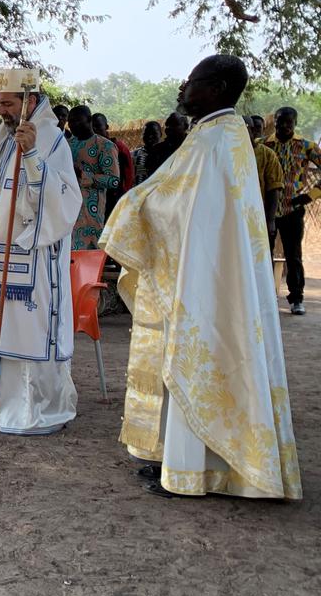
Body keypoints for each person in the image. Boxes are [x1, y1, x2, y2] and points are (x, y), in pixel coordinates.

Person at [101, 54, 301, 500]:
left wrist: (136, 207)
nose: (182, 89)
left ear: (220, 87)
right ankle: (178, 461)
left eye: (192, 81)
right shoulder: (210, 135)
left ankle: (199, 471)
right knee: (184, 366)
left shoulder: (220, 140)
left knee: (201, 363)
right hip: (193, 273)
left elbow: (181, 207)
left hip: (208, 282)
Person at [0, 68, 81, 435]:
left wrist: (33, 156)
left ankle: (28, 407)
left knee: (22, 328)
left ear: (29, 102)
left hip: (30, 258)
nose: (1, 111)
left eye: (7, 104)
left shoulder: (52, 140)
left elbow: (64, 202)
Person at [263, 106, 321, 316]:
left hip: (293, 208)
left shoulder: (306, 146)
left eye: (289, 122)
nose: (284, 126)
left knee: (293, 255)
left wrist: (311, 195)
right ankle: (265, 298)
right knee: (264, 255)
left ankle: (296, 298)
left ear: (295, 123)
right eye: (280, 121)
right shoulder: (264, 145)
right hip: (267, 209)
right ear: (275, 121)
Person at [66, 105, 119, 250]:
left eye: (77, 121)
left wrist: (82, 174)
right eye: (70, 122)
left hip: (90, 214)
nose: (72, 125)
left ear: (89, 120)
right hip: (67, 210)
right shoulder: (67, 145)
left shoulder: (105, 146)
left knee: (87, 259)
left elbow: (113, 179)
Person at [248, 114, 283, 249]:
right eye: (252, 128)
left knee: (264, 256)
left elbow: (273, 188)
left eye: (258, 128)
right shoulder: (229, 151)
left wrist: (270, 220)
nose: (254, 131)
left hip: (259, 215)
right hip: (236, 215)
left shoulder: (267, 154)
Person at [92, 113, 135, 218]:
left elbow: (128, 173)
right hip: (96, 196)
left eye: (98, 126)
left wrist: (123, 193)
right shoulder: (90, 148)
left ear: (106, 127)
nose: (95, 130)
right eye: (92, 126)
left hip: (115, 196)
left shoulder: (119, 147)